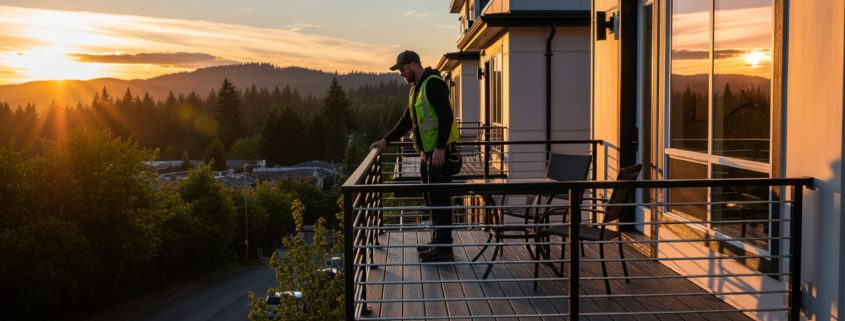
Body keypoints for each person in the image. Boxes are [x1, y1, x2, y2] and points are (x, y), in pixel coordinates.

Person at [370, 50, 460, 262]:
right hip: (426, 154)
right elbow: (407, 120)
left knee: (440, 199)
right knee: (431, 199)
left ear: (413, 64)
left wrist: (439, 148)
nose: (400, 73)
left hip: (440, 153)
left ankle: (444, 247)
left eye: (402, 69)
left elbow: (447, 116)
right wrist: (386, 140)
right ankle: (437, 240)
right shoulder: (416, 89)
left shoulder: (433, 83)